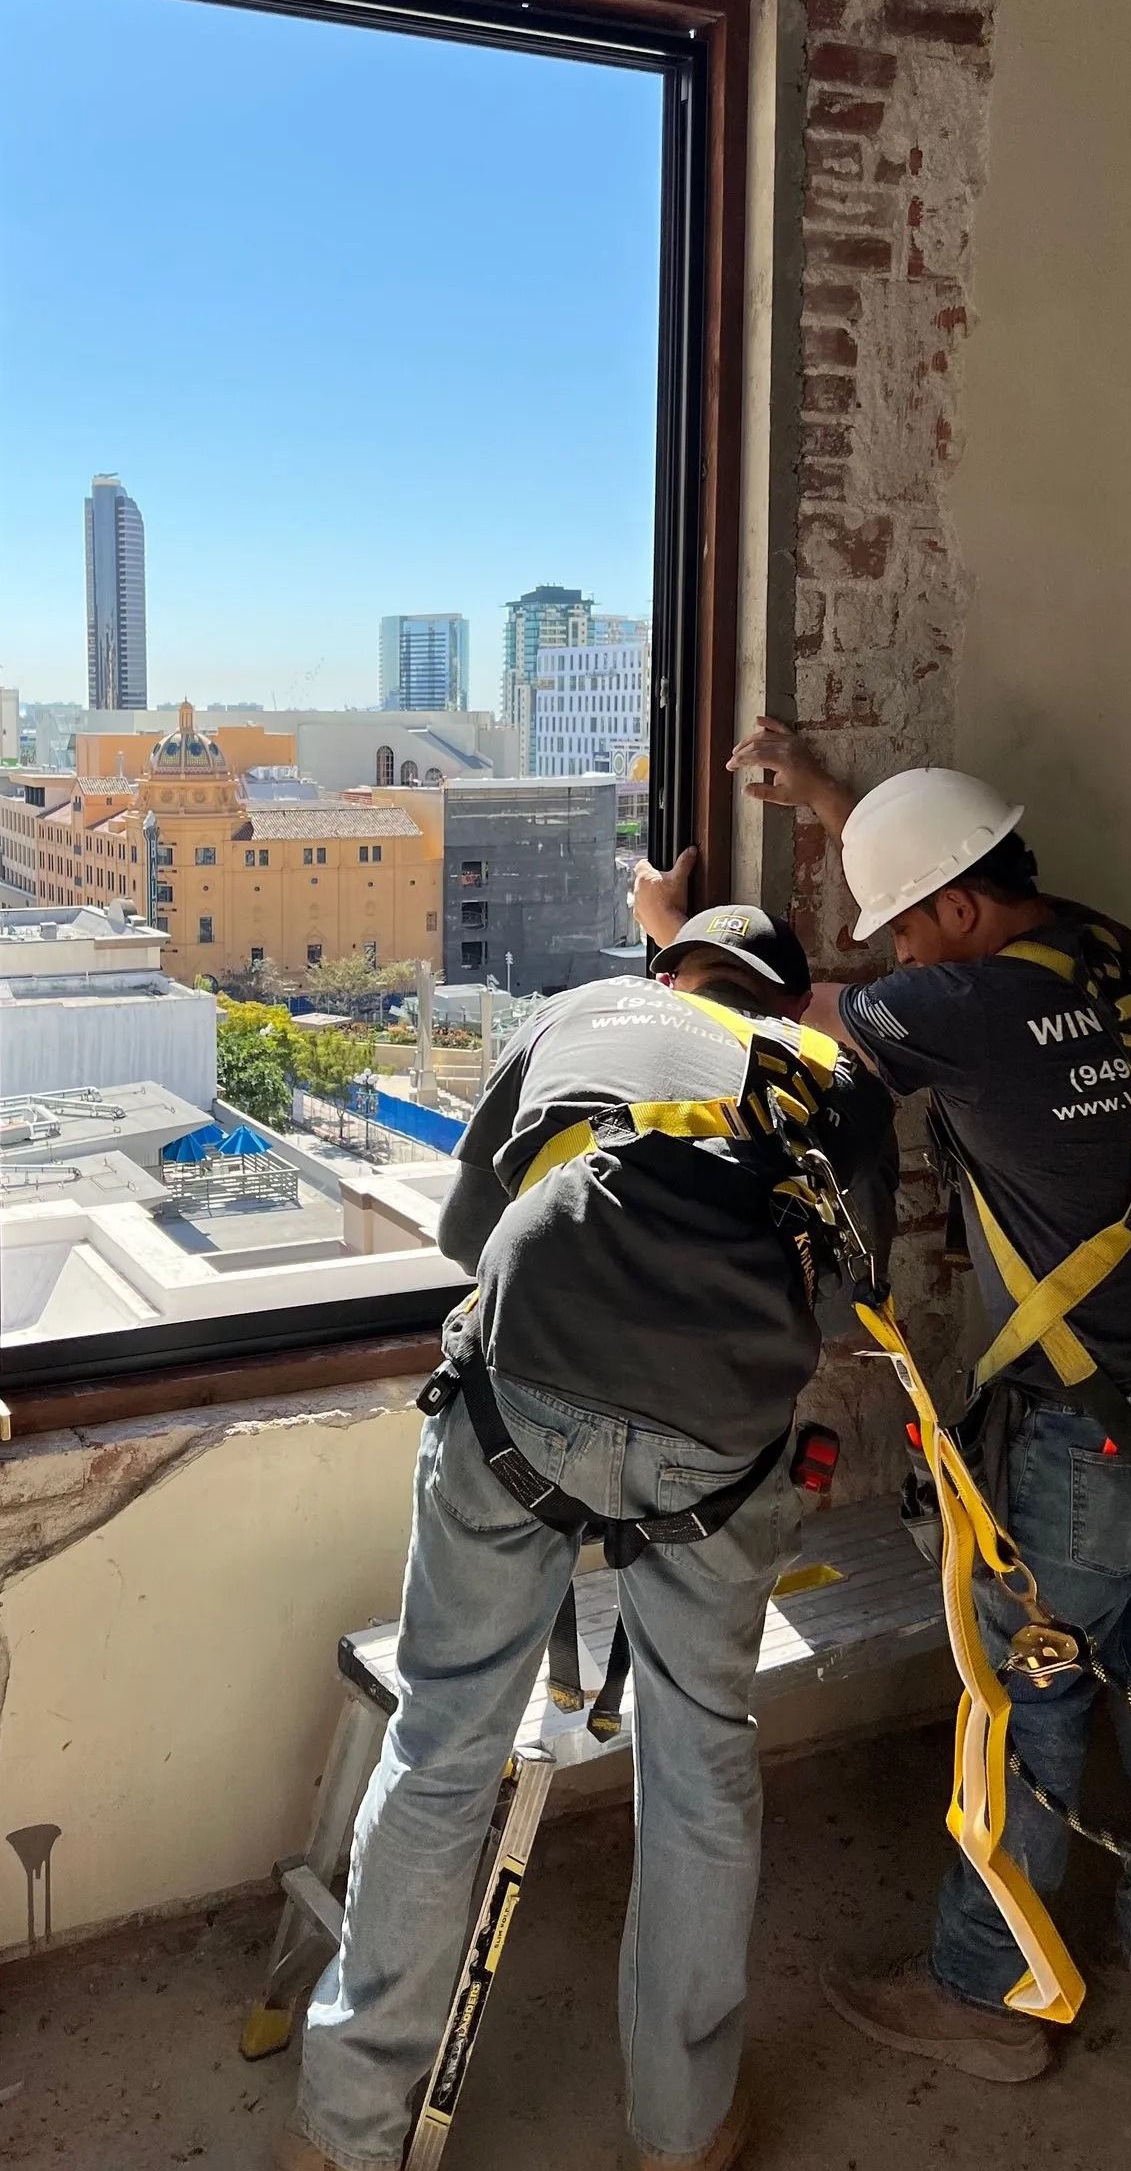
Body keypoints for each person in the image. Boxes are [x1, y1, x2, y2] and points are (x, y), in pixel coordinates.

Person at [636, 721, 1131, 2083]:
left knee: (1023, 1701)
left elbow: (776, 1013)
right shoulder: (1101, 945)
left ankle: (989, 1995)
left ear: (958, 912)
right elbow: (940, 902)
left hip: (1090, 1432)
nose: (895, 956)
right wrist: (826, 800)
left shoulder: (956, 1012)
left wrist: (672, 934)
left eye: (907, 933)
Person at [279, 905, 896, 2171]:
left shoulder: (579, 1013)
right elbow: (844, 1290)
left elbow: (465, 1236)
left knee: (445, 1743)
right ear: (782, 1004)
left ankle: (343, 2138)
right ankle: (682, 2132)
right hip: (717, 1445)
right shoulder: (829, 1074)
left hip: (524, 1402)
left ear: (668, 974)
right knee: (699, 1764)